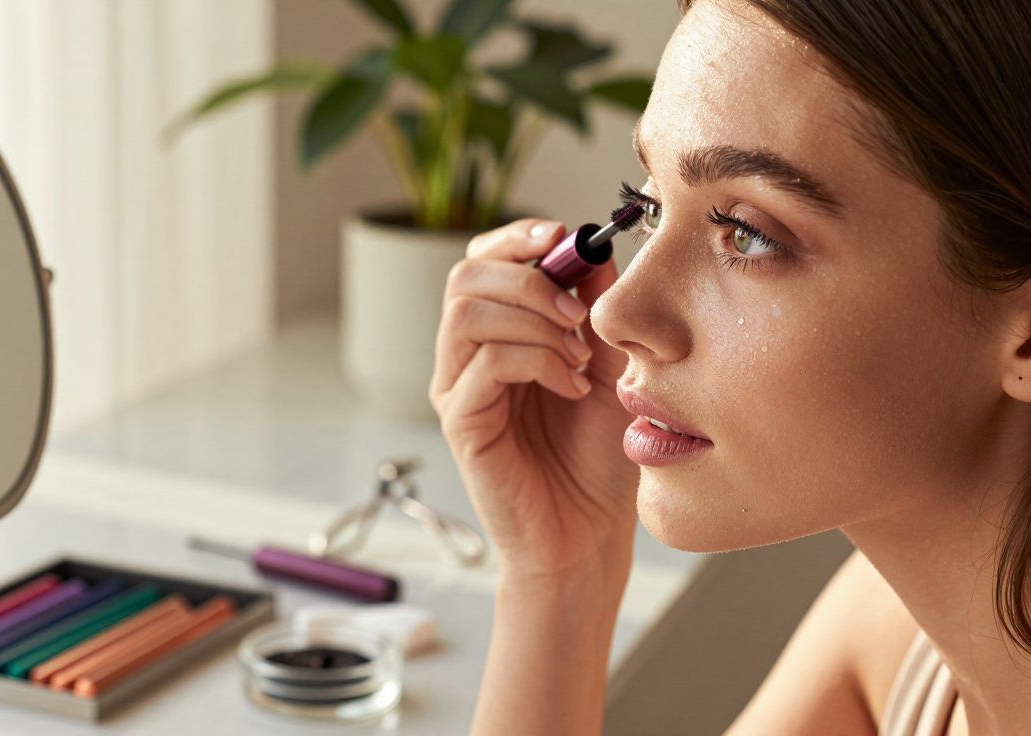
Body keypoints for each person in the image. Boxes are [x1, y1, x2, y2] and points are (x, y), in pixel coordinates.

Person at [429, 0, 1031, 733]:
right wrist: (559, 574)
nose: (614, 316)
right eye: (647, 203)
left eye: (746, 234)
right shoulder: (896, 637)